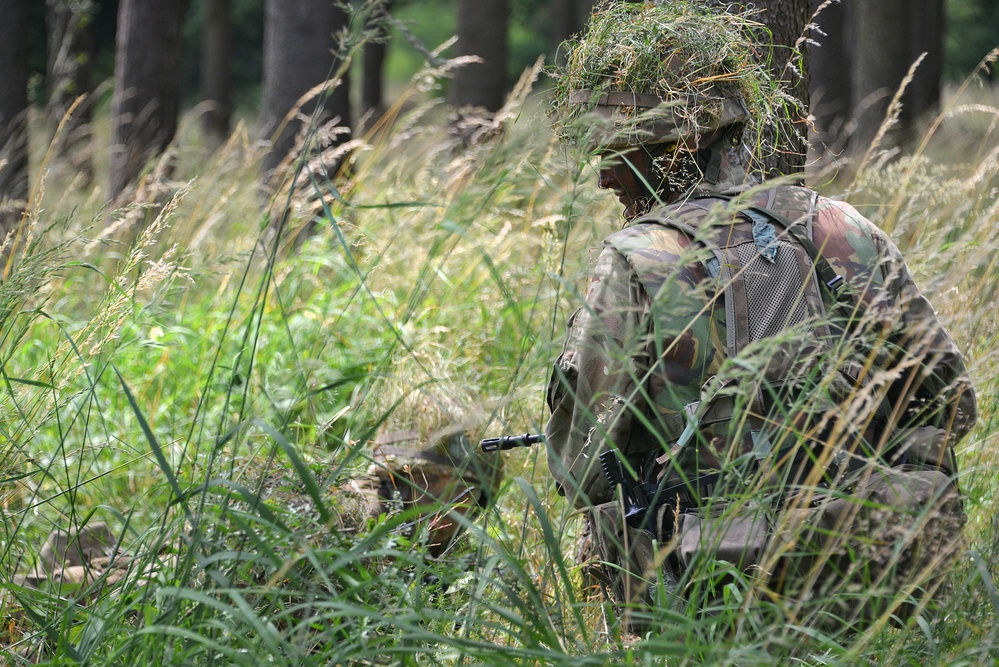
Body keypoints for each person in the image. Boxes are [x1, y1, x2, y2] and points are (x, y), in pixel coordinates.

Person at [543, 2, 977, 631]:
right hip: (879, 597)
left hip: (709, 610)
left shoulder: (633, 260)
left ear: (683, 144)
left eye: (622, 149)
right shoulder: (840, 227)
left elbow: (579, 466)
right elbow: (950, 403)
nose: (606, 176)